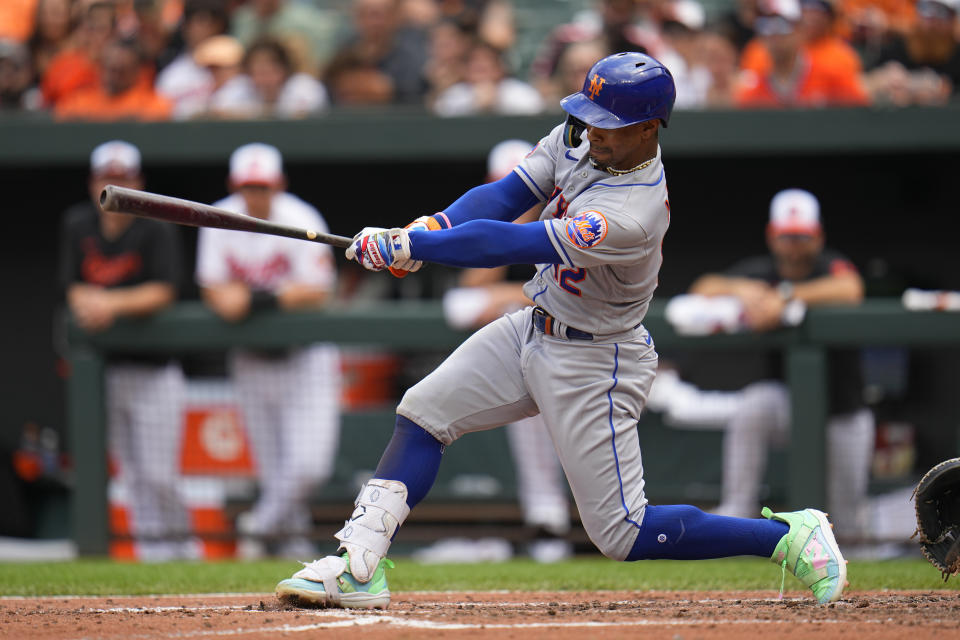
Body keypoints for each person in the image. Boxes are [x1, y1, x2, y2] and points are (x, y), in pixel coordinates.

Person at [274, 52, 848, 610]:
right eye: (590, 117)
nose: (593, 133)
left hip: (596, 358)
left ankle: (787, 537)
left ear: (650, 129)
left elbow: (512, 241)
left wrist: (414, 246)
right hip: (533, 327)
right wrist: (429, 227)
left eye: (611, 125)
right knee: (423, 413)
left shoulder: (632, 214)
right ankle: (358, 565)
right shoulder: (576, 137)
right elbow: (503, 198)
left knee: (623, 533)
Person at [685, 188, 875, 540]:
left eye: (802, 237)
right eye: (787, 237)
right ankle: (738, 507)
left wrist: (784, 296)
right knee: (755, 403)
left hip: (843, 410)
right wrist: (744, 290)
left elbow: (851, 288)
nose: (794, 246)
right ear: (773, 236)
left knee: (848, 526)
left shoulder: (829, 265)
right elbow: (703, 287)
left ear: (817, 237)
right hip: (786, 405)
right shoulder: (761, 271)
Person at [420, 139, 573, 563]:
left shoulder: (564, 219)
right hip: (530, 360)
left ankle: (565, 525)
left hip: (588, 353)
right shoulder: (491, 232)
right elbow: (465, 301)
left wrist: (511, 294)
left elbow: (566, 291)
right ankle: (549, 526)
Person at [195, 143, 341, 559]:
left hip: (304, 358)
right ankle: (289, 544)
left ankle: (258, 525)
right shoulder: (219, 218)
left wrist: (257, 299)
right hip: (252, 359)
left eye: (263, 186)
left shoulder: (301, 219)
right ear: (234, 186)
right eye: (248, 186)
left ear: (279, 184)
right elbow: (216, 294)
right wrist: (253, 298)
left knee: (310, 467)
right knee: (273, 469)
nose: (256, 194)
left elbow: (316, 291)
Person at [59, 140, 192, 561]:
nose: (114, 185)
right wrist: (88, 302)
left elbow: (164, 291)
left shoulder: (156, 226)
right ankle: (153, 557)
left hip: (154, 370)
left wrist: (107, 304)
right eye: (106, 176)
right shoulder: (78, 223)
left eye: (124, 177)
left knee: (159, 474)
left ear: (138, 183)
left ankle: (183, 551)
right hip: (105, 371)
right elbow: (70, 286)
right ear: (92, 182)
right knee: (132, 475)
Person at [734, 0, 870, 107]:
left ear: (799, 29)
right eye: (764, 25)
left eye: (781, 24)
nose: (773, 33)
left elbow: (861, 116)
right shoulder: (753, 90)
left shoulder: (832, 76)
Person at [54, 37, 173, 121]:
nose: (113, 76)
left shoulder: (152, 104)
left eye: (121, 70)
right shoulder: (79, 102)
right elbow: (62, 117)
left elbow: (161, 113)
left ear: (137, 71)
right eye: (110, 68)